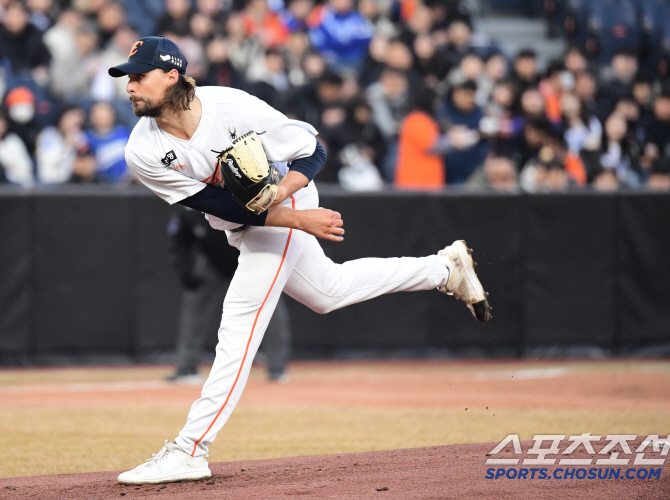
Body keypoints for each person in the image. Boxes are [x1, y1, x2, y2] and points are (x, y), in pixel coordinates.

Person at [109, 36, 491, 485]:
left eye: (138, 76)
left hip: (288, 199)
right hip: (256, 220)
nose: (129, 86)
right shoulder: (143, 150)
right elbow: (220, 205)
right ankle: (444, 269)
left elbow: (314, 150)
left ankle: (191, 448)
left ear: (172, 75)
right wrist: (295, 219)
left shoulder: (231, 107)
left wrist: (289, 200)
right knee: (329, 291)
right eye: (126, 78)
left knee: (239, 321)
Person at [167, 206, 292, 384]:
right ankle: (186, 367)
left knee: (272, 308)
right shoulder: (189, 208)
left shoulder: (240, 195)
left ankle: (277, 368)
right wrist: (185, 272)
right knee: (193, 307)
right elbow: (179, 242)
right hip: (212, 262)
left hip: (251, 258)